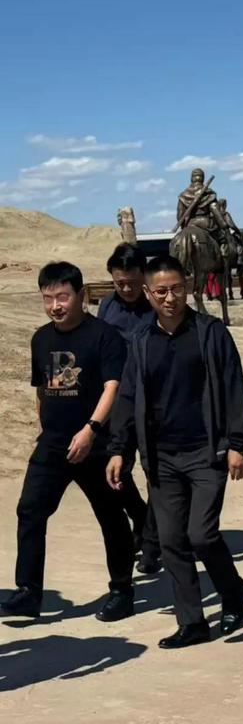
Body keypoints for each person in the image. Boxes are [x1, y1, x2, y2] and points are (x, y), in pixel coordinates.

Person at [107, 255, 243, 649]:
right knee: (171, 540)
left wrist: (237, 443)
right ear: (148, 293)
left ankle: (233, 592)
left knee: (201, 535)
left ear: (187, 287)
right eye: (161, 292)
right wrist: (119, 450)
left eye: (176, 289)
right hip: (162, 457)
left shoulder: (210, 332)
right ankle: (192, 623)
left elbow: (233, 387)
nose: (169, 298)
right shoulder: (141, 341)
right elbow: (128, 397)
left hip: (206, 451)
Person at [0, 262, 134, 621]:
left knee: (111, 516)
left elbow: (113, 387)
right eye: (48, 298)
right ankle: (28, 592)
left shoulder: (104, 336)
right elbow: (42, 390)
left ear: (80, 295)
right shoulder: (41, 338)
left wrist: (91, 429)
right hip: (53, 444)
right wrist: (45, 428)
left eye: (62, 297)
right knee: (30, 511)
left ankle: (122, 590)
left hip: (97, 443)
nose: (55, 306)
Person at [99, 243, 161, 574]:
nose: (126, 289)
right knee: (116, 472)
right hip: (119, 402)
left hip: (154, 401)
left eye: (132, 283)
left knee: (156, 474)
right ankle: (140, 516)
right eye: (119, 283)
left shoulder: (157, 304)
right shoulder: (107, 306)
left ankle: (151, 543)